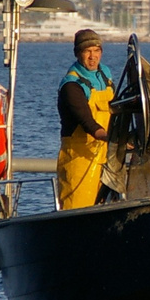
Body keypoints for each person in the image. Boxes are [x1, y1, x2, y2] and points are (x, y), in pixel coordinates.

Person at [56, 28, 115, 209]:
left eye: (96, 51)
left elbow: (117, 106)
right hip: (79, 158)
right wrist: (114, 138)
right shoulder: (71, 85)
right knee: (78, 208)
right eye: (87, 51)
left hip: (105, 155)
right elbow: (87, 122)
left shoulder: (105, 74)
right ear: (77, 54)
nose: (92, 56)